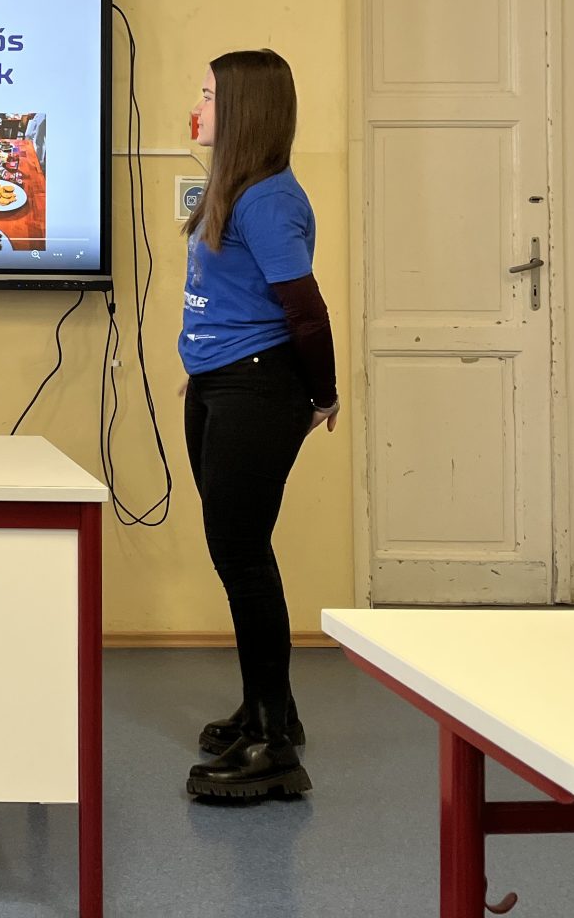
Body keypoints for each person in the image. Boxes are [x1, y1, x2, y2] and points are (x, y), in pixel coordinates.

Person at [179, 49, 337, 801]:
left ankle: (274, 748)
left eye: (209, 96)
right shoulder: (236, 188)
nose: (197, 109)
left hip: (256, 386)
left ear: (244, 109)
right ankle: (270, 709)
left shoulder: (268, 200)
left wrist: (322, 396)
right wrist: (205, 367)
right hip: (221, 382)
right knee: (236, 550)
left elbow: (305, 311)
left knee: (241, 555)